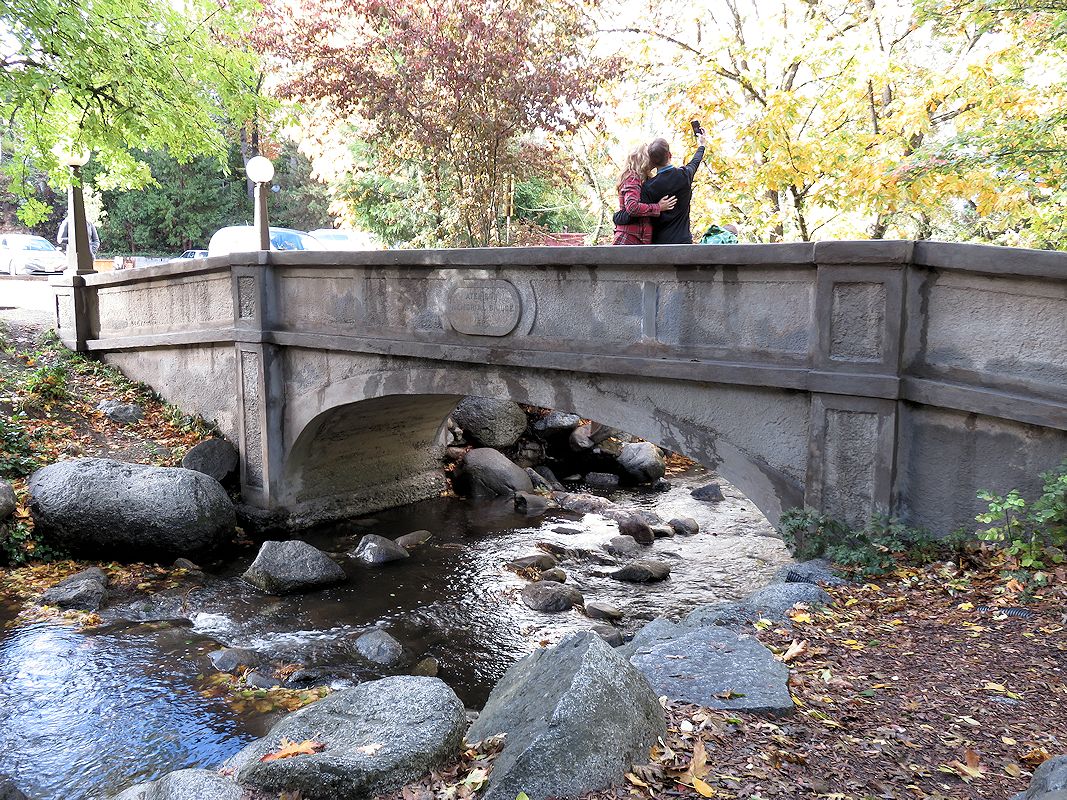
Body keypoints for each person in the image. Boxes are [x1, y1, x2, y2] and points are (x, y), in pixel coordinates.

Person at [640, 128, 706, 244]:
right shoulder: (684, 175)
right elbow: (695, 161)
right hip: (683, 242)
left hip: (659, 244)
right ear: (669, 154)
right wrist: (701, 145)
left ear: (652, 161)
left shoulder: (647, 187)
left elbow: (645, 216)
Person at [611, 144, 677, 245]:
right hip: (629, 238)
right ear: (643, 158)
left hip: (638, 239)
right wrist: (658, 207)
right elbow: (632, 207)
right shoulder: (632, 177)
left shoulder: (643, 179)